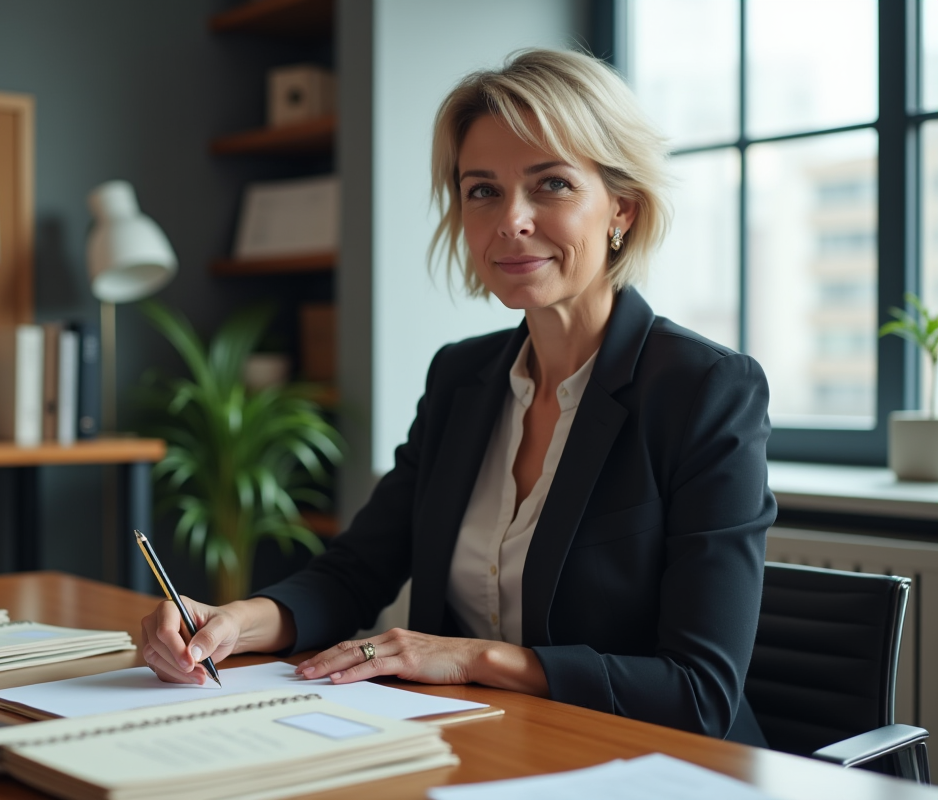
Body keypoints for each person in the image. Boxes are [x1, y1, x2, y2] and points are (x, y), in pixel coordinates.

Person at [140, 48, 776, 746]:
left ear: (621, 207)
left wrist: (471, 658)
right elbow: (354, 574)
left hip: (654, 764)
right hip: (489, 745)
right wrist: (232, 622)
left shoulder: (705, 389)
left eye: (552, 184)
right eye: (483, 191)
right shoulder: (460, 378)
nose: (512, 220)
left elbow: (699, 692)